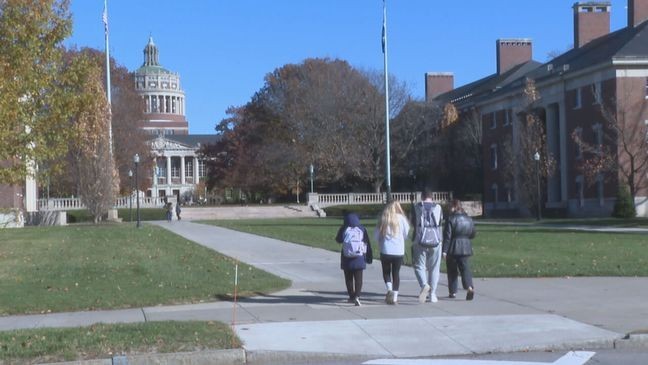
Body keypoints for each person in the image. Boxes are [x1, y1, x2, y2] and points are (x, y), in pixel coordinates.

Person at [410, 189, 444, 303]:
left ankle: (424, 285)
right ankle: (433, 294)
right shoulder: (438, 208)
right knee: (434, 268)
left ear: (422, 197)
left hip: (419, 240)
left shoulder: (416, 207)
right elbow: (440, 222)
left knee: (419, 266)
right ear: (432, 197)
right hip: (436, 241)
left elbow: (412, 222)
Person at [375, 201, 410, 305]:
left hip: (386, 250)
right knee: (396, 273)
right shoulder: (402, 219)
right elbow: (406, 233)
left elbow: (377, 235)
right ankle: (395, 296)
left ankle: (389, 289)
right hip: (398, 250)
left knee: (386, 272)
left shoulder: (383, 218)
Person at [335, 212, 372, 306]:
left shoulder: (344, 228)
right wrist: (368, 256)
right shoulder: (362, 229)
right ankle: (357, 296)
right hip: (359, 257)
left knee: (348, 278)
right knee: (358, 278)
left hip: (346, 257)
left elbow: (338, 240)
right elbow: (367, 242)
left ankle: (351, 296)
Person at [443, 199, 477, 301]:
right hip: (466, 246)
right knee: (465, 269)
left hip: (453, 247)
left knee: (452, 270)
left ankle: (453, 291)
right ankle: (469, 287)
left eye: (450, 207)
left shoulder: (450, 219)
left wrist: (444, 250)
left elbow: (447, 236)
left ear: (454, 207)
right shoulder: (469, 219)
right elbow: (473, 233)